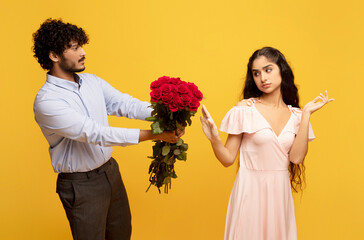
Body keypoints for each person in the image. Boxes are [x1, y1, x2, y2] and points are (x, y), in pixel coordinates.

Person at [32, 18, 183, 240]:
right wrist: (155, 135)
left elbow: (125, 104)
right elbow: (94, 133)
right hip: (81, 185)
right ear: (54, 56)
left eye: (81, 46)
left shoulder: (91, 81)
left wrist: (170, 113)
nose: (83, 52)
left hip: (110, 173)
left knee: (122, 234)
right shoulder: (47, 101)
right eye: (74, 48)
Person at [200, 47, 334, 240]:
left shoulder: (297, 116)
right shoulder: (245, 110)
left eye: (268, 70)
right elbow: (228, 159)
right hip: (249, 190)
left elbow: (296, 158)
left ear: (282, 70)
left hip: (280, 194)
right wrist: (214, 137)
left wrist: (306, 115)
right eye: (256, 73)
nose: (262, 78)